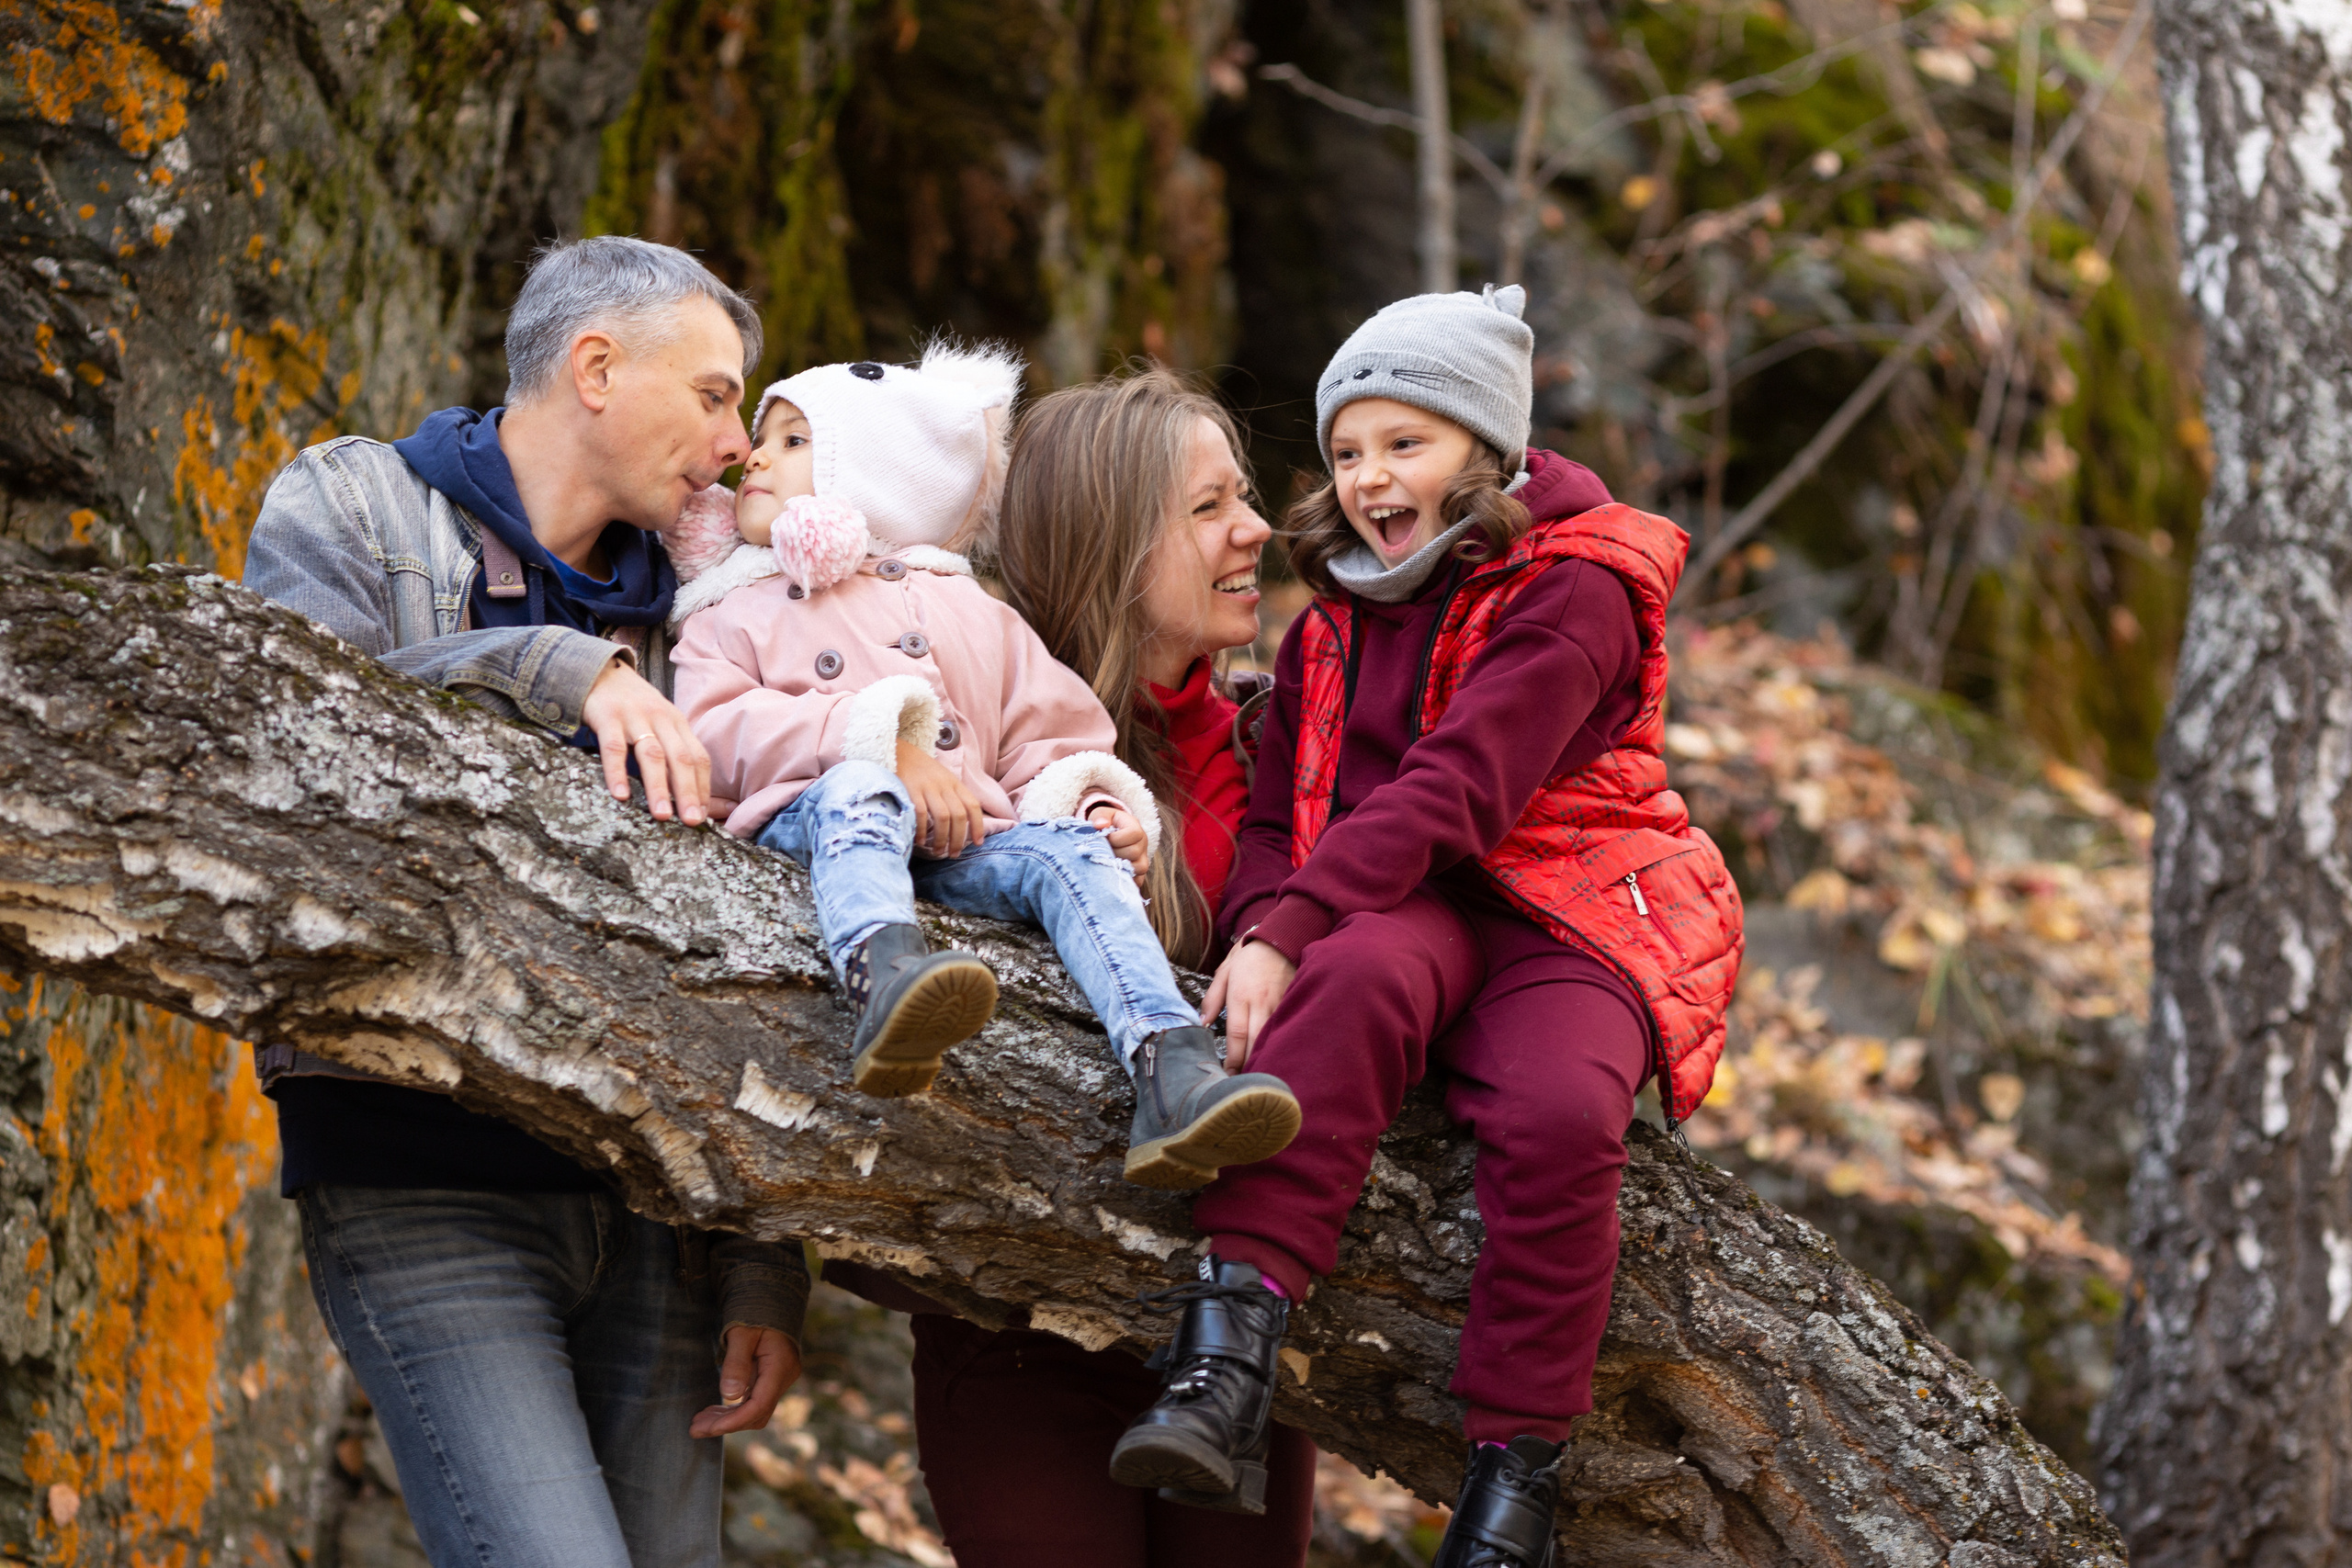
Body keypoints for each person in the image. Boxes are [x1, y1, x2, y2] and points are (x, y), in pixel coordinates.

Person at [1108, 286, 1746, 1568]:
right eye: (1347, 451)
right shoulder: (1332, 617)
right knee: (1341, 986)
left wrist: (1293, 918)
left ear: (1485, 447)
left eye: (1406, 443)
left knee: (1564, 1114)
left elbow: (1462, 786)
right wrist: (1258, 930)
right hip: (1403, 900)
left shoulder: (1582, 585)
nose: (1367, 478)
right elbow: (1291, 814)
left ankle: (1515, 1468)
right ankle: (1227, 1345)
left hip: (1562, 901)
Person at [243, 236, 809, 1568]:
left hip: (667, 1206)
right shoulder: (351, 505)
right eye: (719, 394)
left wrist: (762, 1259)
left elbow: (790, 922)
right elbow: (289, 737)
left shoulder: (720, 607)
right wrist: (560, 667)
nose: (738, 444)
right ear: (596, 366)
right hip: (421, 1177)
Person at [665, 345, 1300, 1186]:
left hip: (968, 844)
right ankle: (885, 975)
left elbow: (1050, 734)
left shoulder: (973, 612)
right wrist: (881, 743)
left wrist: (1093, 803)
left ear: (873, 476)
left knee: (1071, 854)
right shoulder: (730, 611)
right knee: (859, 789)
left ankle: (1172, 1064)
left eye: (792, 442)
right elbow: (707, 728)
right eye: (1209, 507)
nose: (752, 459)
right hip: (825, 819)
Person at [876, 368, 1321, 1565]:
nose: (1256, 530)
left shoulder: (1283, 745)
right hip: (1018, 1325)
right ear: (1114, 545)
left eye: (1248, 497)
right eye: (1210, 506)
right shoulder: (974, 750)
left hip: (1229, 1324)